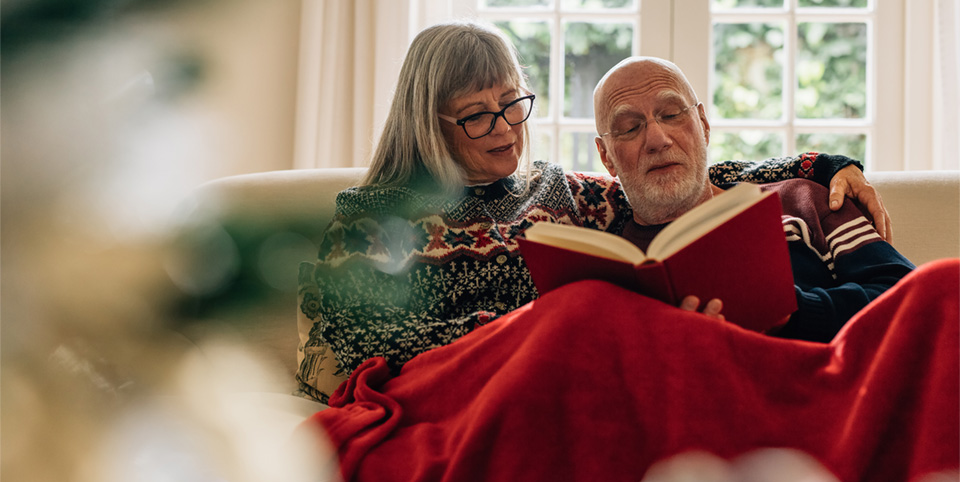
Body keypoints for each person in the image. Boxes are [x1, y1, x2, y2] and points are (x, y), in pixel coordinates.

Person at [296, 20, 890, 405]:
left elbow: (674, 176)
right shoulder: (371, 220)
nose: (505, 130)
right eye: (477, 115)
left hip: (563, 392)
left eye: (512, 105)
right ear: (429, 125)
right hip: (464, 393)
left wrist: (822, 163)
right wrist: (530, 330)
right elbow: (358, 346)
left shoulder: (564, 194)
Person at [592, 56, 915, 341]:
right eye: (629, 128)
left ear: (703, 125)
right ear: (607, 156)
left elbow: (909, 297)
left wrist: (796, 314)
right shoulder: (613, 267)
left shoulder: (804, 201)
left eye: (672, 114)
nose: (657, 140)